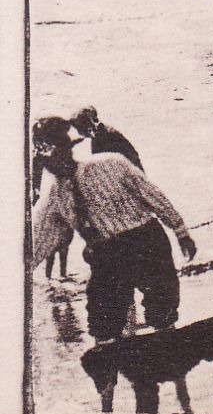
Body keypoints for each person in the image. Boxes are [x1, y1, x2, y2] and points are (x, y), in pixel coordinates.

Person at [30, 117, 196, 345]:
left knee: (162, 313)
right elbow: (35, 246)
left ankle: (170, 370)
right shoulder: (54, 198)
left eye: (62, 152)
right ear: (43, 162)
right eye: (49, 159)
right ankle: (115, 369)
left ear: (70, 149)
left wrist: (180, 231)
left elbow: (153, 196)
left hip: (146, 243)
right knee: (103, 325)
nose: (57, 162)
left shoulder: (112, 164)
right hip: (105, 255)